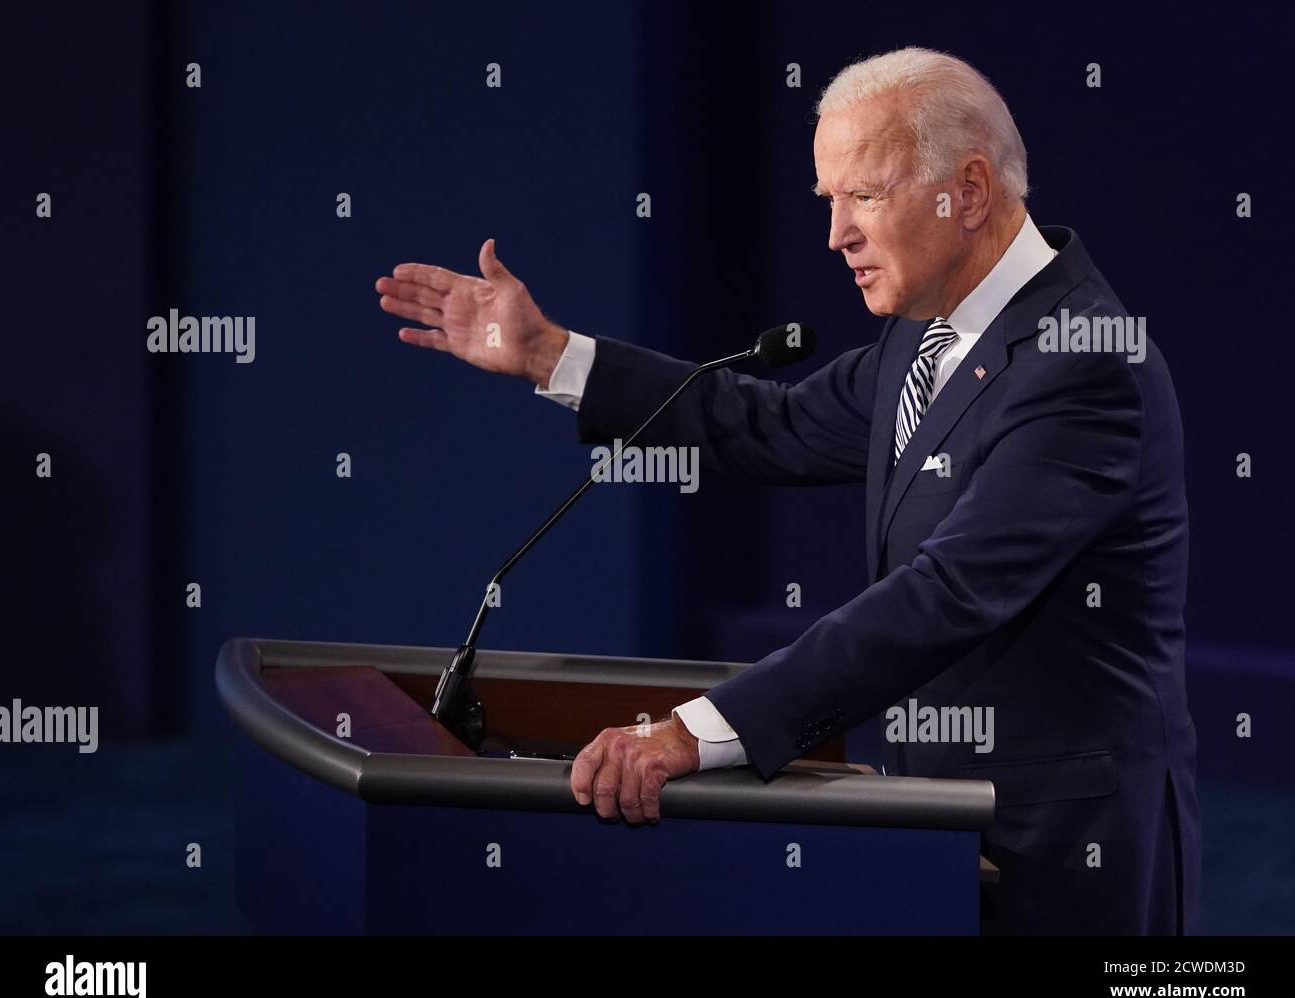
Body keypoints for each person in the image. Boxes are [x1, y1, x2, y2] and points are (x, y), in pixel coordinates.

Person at [374, 46, 1199, 936]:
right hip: (947, 823)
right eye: (829, 200)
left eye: (864, 197)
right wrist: (548, 354)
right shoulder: (924, 337)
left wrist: (692, 732)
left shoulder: (1084, 363)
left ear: (968, 189)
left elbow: (946, 593)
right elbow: (766, 424)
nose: (836, 234)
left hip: (1068, 850)